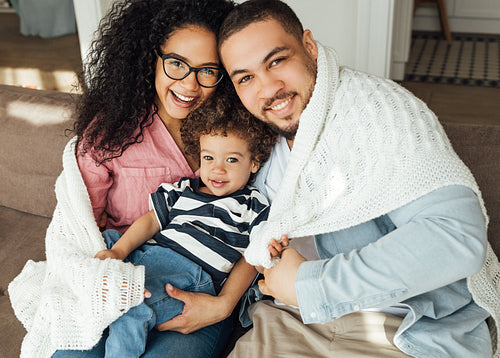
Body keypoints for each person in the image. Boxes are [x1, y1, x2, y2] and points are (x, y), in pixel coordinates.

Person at [217, 0, 500, 357]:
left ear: (309, 46)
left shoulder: (380, 112)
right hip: (289, 319)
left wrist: (311, 284)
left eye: (277, 61)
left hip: (405, 326)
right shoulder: (251, 143)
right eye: (246, 77)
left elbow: (456, 237)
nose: (268, 88)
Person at [6, 0, 270, 357]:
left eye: (207, 70)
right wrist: (108, 268)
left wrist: (223, 305)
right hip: (123, 272)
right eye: (177, 64)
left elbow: (259, 242)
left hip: (198, 291)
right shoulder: (113, 132)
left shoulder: (242, 134)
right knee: (71, 350)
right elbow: (81, 227)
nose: (189, 84)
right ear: (151, 59)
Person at [92, 88, 278, 358]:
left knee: (129, 307)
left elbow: (254, 255)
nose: (217, 169)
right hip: (148, 260)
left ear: (254, 162)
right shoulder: (183, 189)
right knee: (108, 243)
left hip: (191, 278)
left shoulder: (253, 204)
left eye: (232, 159)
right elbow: (151, 221)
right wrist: (118, 251)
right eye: (208, 158)